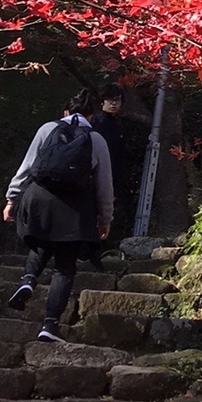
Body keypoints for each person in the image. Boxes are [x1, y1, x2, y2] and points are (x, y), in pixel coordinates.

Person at [2, 90, 114, 341]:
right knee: (65, 266)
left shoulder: (47, 129)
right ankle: (50, 326)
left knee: (41, 244)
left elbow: (27, 166)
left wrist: (12, 199)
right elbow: (104, 186)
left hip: (39, 198)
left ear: (65, 112)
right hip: (76, 208)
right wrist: (105, 219)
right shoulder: (96, 139)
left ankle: (28, 280)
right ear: (91, 115)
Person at [85, 85, 126, 266]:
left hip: (110, 175)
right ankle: (90, 254)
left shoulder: (114, 123)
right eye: (110, 100)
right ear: (102, 102)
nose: (114, 104)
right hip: (97, 176)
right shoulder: (99, 122)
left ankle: (93, 253)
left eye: (117, 100)